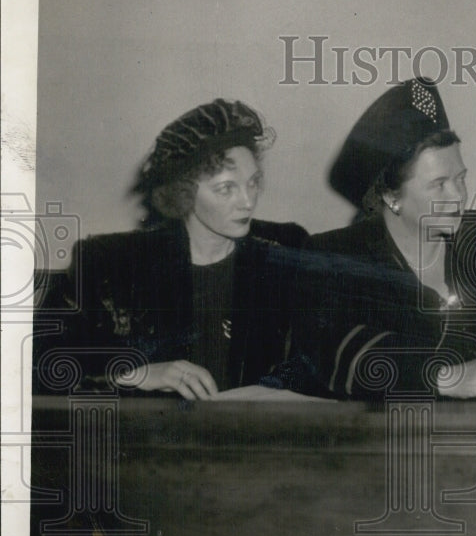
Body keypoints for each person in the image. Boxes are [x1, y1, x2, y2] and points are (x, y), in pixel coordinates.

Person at [34, 99, 306, 399]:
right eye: (226, 188)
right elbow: (40, 365)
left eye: (253, 182)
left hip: (259, 441)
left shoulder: (285, 252)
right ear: (183, 192)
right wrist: (136, 373)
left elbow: (315, 361)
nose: (248, 201)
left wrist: (279, 386)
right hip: (153, 442)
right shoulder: (108, 262)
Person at [286, 77, 476, 400]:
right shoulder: (334, 255)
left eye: (461, 178)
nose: (458, 196)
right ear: (391, 197)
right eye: (438, 184)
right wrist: (443, 376)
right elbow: (329, 350)